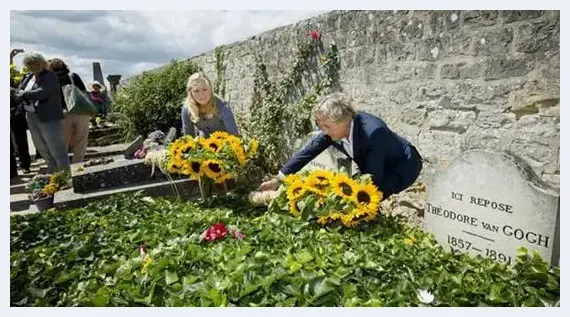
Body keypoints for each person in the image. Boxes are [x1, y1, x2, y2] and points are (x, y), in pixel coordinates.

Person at [257, 92, 423, 201]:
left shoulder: (374, 132)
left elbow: (373, 177)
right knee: (363, 199)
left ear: (344, 120)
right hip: (375, 163)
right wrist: (278, 179)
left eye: (327, 126)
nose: (324, 132)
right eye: (322, 126)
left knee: (371, 197)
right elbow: (306, 153)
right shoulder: (334, 130)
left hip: (401, 165)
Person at [15, 53, 70, 173]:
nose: (33, 65)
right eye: (30, 63)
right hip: (31, 116)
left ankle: (65, 176)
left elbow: (43, 92)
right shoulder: (29, 77)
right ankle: (53, 174)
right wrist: (19, 93)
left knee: (56, 148)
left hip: (49, 117)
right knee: (42, 148)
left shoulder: (50, 76)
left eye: (36, 63)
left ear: (42, 63)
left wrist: (24, 95)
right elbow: (20, 90)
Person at [47, 58, 90, 164]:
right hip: (81, 111)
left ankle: (64, 169)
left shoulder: (49, 79)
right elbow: (84, 92)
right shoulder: (73, 76)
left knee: (62, 142)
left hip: (62, 113)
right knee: (81, 141)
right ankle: (77, 166)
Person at [181, 72, 239, 137]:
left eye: (205, 89)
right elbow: (188, 137)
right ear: (190, 92)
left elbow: (235, 136)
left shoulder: (223, 106)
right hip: (204, 143)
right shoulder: (187, 109)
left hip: (226, 143)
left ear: (211, 89)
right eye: (196, 91)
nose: (201, 95)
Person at [10, 48, 31, 175]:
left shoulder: (15, 79)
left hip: (16, 111)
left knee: (20, 140)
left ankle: (24, 165)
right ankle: (13, 169)